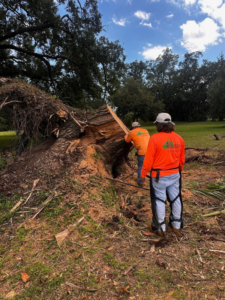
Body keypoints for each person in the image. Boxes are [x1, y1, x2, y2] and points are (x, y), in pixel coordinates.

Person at [140, 113, 185, 236]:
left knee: (159, 200)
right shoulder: (179, 138)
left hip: (159, 176)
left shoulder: (154, 138)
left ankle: (160, 228)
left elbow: (148, 159)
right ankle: (176, 225)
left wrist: (143, 174)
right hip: (175, 174)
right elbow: (182, 160)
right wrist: (179, 170)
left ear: (159, 125)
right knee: (176, 198)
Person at [124, 122, 150, 186]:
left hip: (142, 151)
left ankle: (140, 182)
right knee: (151, 166)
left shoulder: (131, 132)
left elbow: (127, 141)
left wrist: (125, 136)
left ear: (133, 127)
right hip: (151, 151)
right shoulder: (145, 131)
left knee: (141, 166)